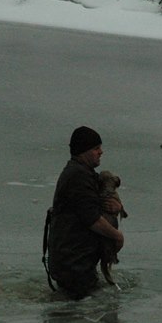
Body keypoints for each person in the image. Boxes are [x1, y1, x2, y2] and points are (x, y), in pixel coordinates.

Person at [46, 126, 124, 299]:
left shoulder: (84, 173)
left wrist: (116, 206)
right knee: (85, 308)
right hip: (73, 265)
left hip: (76, 263)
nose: (101, 152)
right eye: (96, 148)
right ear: (83, 151)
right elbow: (92, 220)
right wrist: (117, 236)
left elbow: (96, 204)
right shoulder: (77, 176)